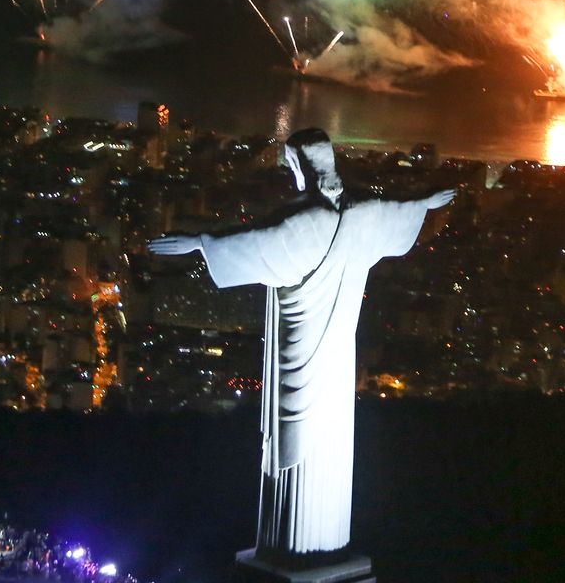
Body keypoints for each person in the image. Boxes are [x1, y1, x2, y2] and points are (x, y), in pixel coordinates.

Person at [148, 128, 453, 562]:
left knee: (295, 440)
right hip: (338, 357)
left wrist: (198, 243)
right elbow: (397, 210)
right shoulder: (364, 210)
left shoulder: (304, 221)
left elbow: (254, 242)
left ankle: (293, 549)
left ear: (298, 166)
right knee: (330, 442)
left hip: (300, 349)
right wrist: (425, 201)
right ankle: (320, 546)